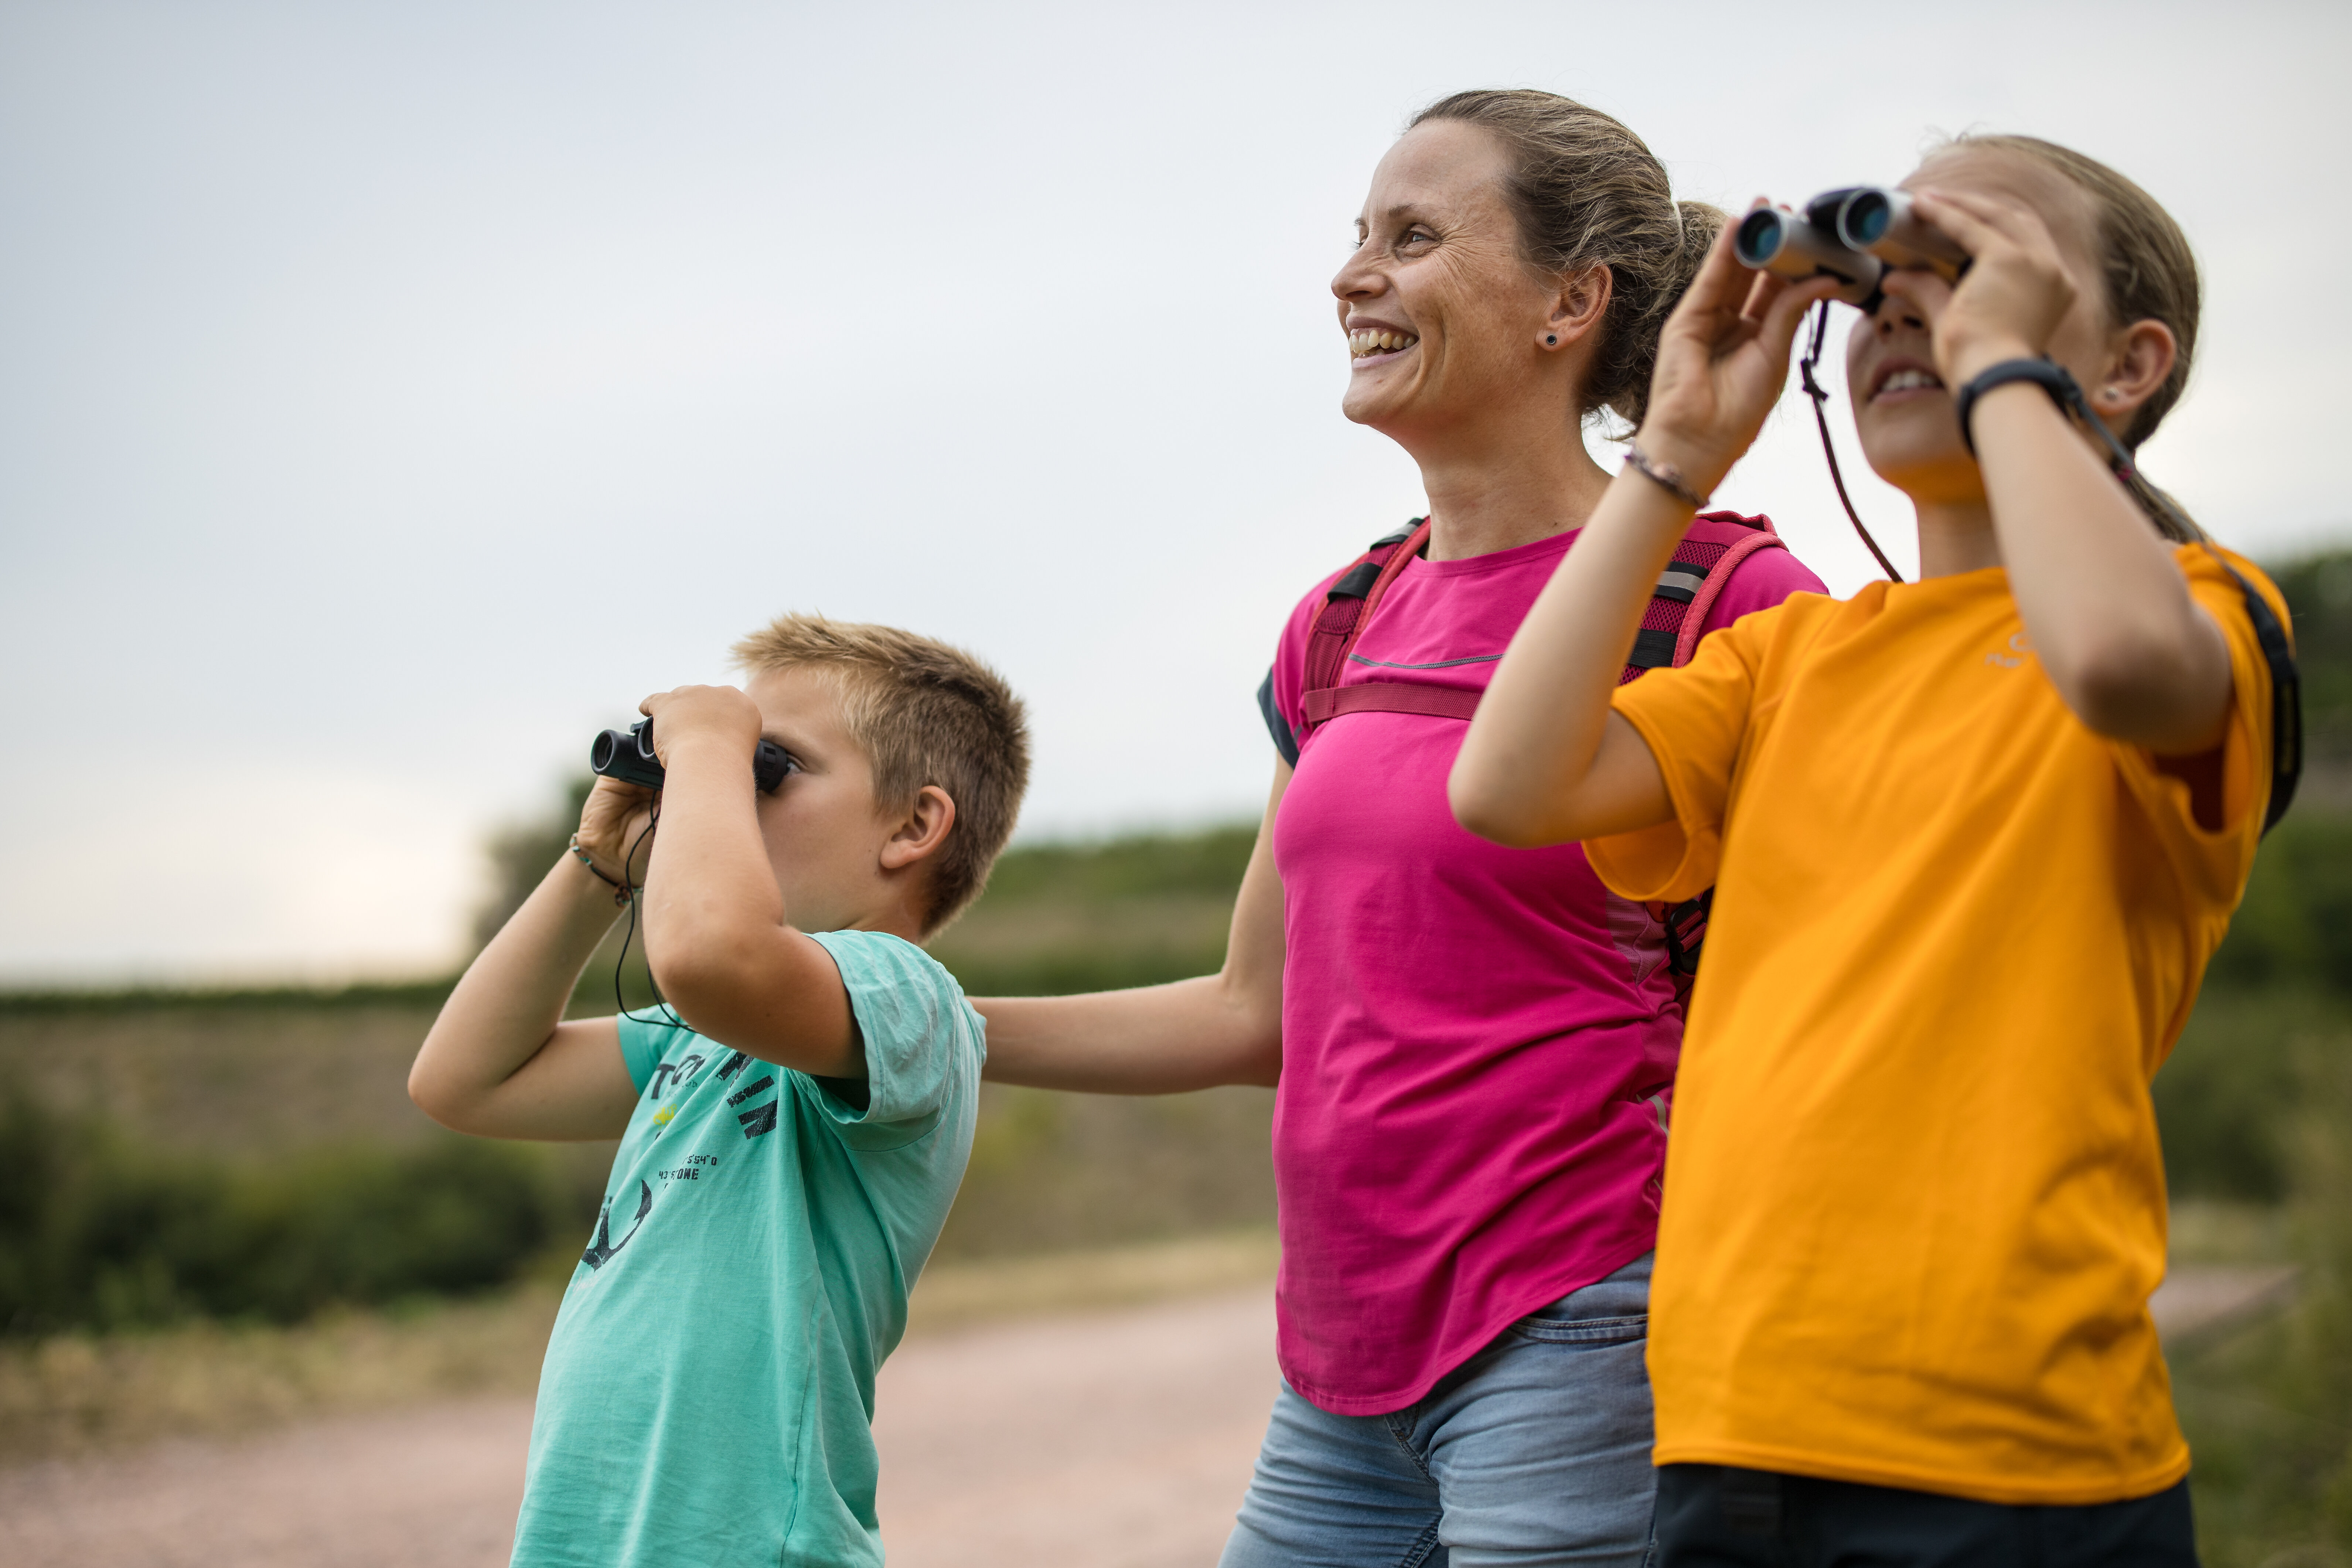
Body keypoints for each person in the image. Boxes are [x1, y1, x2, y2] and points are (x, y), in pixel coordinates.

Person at [973, 90, 1827, 1566]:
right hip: (1339, 1357)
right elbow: (1257, 1010)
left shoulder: (1727, 603)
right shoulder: (1342, 619)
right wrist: (904, 1019)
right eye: (1358, 236)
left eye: (1412, 237)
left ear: (1571, 302)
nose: (1350, 275)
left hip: (1594, 1322)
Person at [1451, 134, 2280, 1562]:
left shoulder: (2203, 613)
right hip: (1733, 1426)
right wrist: (1676, 455)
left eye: (1968, 269)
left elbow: (2123, 663)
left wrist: (2002, 362)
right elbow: (1509, 784)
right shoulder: (1793, 658)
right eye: (1890, 279)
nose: (1910, 307)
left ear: (2129, 366)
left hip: (2013, 1452)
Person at [408, 615, 1029, 1568]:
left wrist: (700, 743)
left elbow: (707, 953)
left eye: (768, 764)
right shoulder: (699, 1036)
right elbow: (465, 1082)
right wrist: (599, 869)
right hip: (594, 1539)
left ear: (913, 827)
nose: (725, 790)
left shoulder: (909, 999)